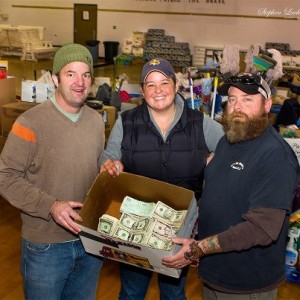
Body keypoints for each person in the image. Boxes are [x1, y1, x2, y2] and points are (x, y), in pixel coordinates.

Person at [162, 73, 300, 299]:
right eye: (233, 99)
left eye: (247, 100)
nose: (237, 107)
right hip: (214, 274)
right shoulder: (228, 141)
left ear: (266, 105)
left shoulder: (276, 156)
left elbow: (261, 229)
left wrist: (198, 248)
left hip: (247, 283)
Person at [100, 58, 224, 300]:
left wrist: (216, 162)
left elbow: (231, 151)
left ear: (176, 86)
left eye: (164, 83)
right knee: (132, 291)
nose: (158, 91)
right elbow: (109, 156)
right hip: (136, 224)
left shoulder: (200, 123)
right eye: (150, 85)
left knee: (174, 292)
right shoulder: (127, 122)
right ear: (143, 90)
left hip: (180, 227)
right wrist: (109, 165)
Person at [0, 43, 105, 300]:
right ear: (56, 78)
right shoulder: (30, 122)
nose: (80, 82)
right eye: (71, 74)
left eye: (86, 74)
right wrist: (51, 205)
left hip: (90, 241)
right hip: (45, 246)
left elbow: (94, 170)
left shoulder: (95, 120)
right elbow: (6, 177)